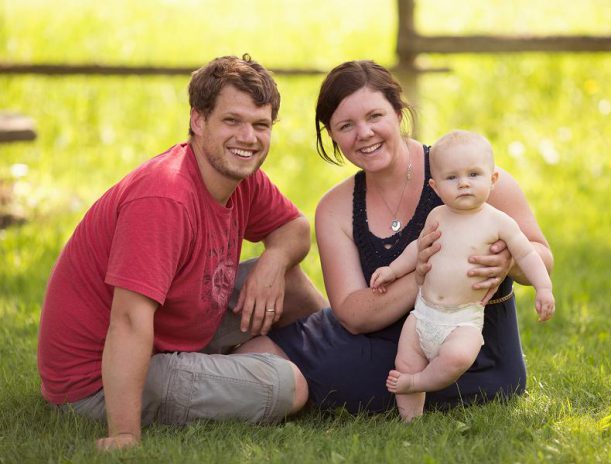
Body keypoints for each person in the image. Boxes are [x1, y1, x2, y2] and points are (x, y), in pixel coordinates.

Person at [37, 54, 326, 451]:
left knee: (289, 280)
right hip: (97, 383)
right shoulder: (165, 197)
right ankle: (281, 371)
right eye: (232, 121)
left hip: (169, 330)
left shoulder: (240, 177)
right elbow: (128, 321)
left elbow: (295, 229)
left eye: (261, 125)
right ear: (198, 120)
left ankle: (338, 362)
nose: (249, 137)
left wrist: (274, 261)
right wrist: (124, 434)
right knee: (289, 386)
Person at [254, 60, 554, 415]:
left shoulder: (466, 175)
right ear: (331, 134)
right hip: (381, 342)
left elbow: (541, 255)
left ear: (398, 113)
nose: (363, 133)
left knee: (341, 373)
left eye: (375, 116)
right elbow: (352, 314)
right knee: (293, 353)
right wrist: (422, 273)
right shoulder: (334, 208)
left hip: (474, 350)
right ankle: (214, 366)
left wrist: (508, 260)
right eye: (346, 126)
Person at [369, 129, 555, 421]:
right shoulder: (438, 216)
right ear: (435, 186)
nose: (464, 183)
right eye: (452, 178)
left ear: (493, 180)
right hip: (424, 313)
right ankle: (410, 420)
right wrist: (392, 270)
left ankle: (418, 383)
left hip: (463, 320)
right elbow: (417, 248)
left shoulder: (498, 221)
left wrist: (543, 289)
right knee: (406, 359)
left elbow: (527, 254)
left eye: (474, 174)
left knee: (457, 357)